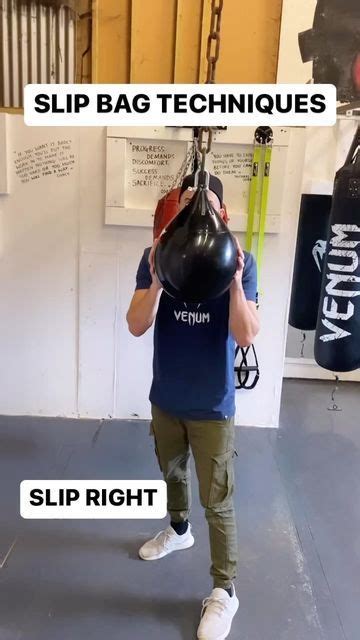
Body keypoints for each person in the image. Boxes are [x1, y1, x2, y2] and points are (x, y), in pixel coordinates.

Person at [126, 173, 259, 640]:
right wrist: (158, 282)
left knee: (218, 502)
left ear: (221, 213)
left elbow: (245, 334)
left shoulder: (239, 260)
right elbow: (136, 325)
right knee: (171, 474)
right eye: (185, 202)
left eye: (202, 203)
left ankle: (225, 591)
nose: (194, 209)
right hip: (166, 397)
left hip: (212, 404)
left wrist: (237, 284)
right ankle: (178, 531)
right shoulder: (155, 258)